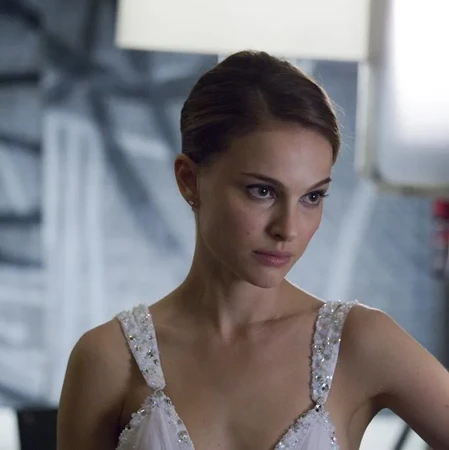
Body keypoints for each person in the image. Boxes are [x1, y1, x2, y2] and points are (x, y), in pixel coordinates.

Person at [56, 51, 449, 450]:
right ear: (189, 180)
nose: (288, 229)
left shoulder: (359, 343)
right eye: (262, 191)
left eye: (312, 197)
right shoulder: (108, 360)